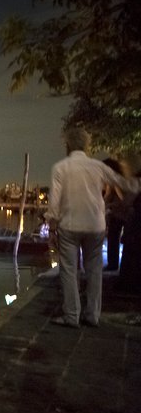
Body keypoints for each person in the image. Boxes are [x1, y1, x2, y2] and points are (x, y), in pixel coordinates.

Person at [46, 128, 139, 328]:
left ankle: (72, 315)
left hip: (69, 225)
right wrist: (130, 173)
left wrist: (52, 229)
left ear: (68, 146)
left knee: (69, 271)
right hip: (95, 225)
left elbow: (54, 204)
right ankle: (92, 315)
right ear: (87, 146)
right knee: (94, 271)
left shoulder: (60, 168)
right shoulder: (98, 166)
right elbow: (127, 185)